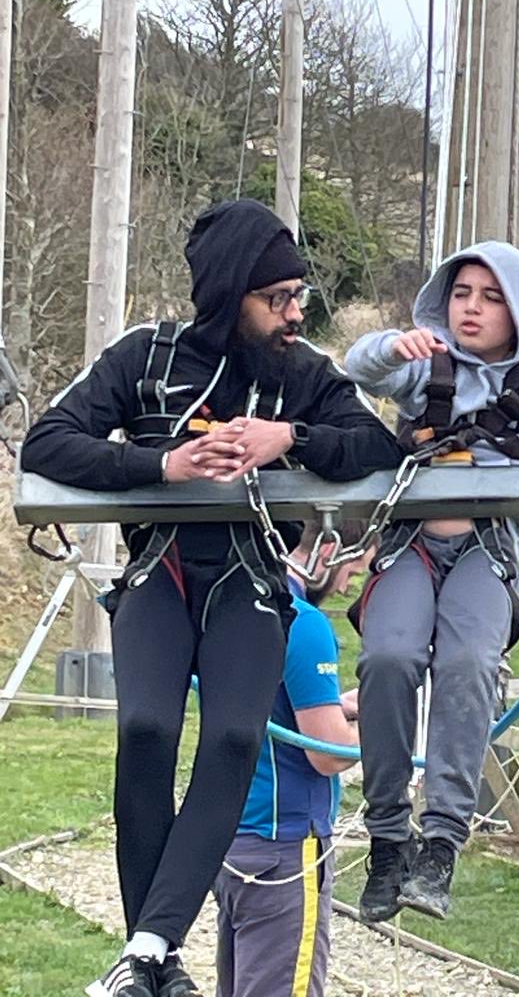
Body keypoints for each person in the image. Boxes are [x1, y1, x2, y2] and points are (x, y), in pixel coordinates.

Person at [20, 198, 403, 997]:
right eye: (279, 299)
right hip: (162, 570)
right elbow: (50, 440)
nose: (297, 313)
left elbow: (379, 442)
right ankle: (154, 952)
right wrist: (166, 465)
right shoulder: (147, 356)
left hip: (250, 583)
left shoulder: (301, 374)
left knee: (232, 738)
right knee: (149, 727)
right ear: (232, 295)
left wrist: (286, 439)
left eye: (300, 295)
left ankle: (150, 950)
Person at [343, 240, 519, 921]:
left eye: (491, 297)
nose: (472, 309)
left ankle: (441, 839)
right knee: (389, 657)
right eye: (463, 294)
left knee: (471, 664)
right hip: (411, 544)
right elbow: (365, 369)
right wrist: (395, 347)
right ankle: (388, 834)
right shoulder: (427, 363)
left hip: (484, 549)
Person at [212, 521, 368, 997]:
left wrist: (334, 706)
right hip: (287, 845)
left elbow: (269, 705)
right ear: (327, 549)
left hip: (232, 837)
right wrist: (387, 723)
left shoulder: (231, 606)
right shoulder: (303, 622)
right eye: (350, 572)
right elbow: (327, 754)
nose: (345, 586)